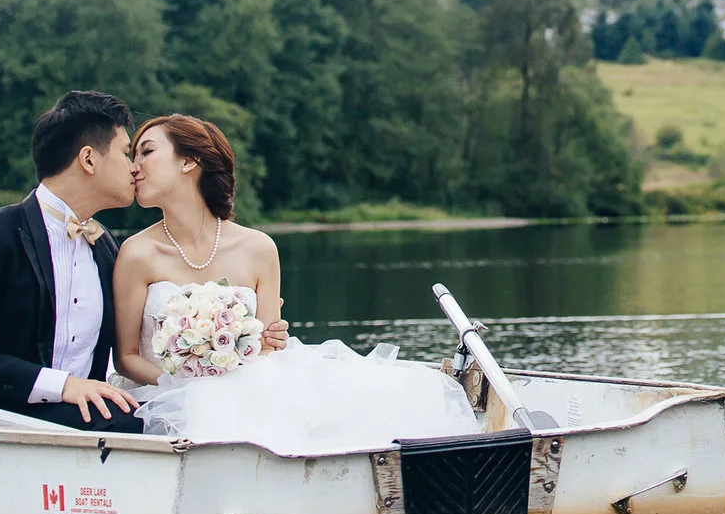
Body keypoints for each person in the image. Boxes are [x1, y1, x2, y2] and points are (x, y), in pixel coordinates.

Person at [115, 113, 478, 454]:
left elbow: (268, 348)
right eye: (133, 155)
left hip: (249, 387)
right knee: (212, 413)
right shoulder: (136, 253)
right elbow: (127, 357)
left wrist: (246, 356)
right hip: (165, 397)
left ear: (189, 161)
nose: (134, 165)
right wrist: (184, 387)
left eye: (147, 151)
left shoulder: (258, 248)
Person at [0, 92, 289, 432]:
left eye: (143, 153)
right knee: (149, 423)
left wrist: (248, 330)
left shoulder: (104, 247)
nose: (134, 167)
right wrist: (64, 386)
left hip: (88, 419)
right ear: (89, 160)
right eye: (126, 152)